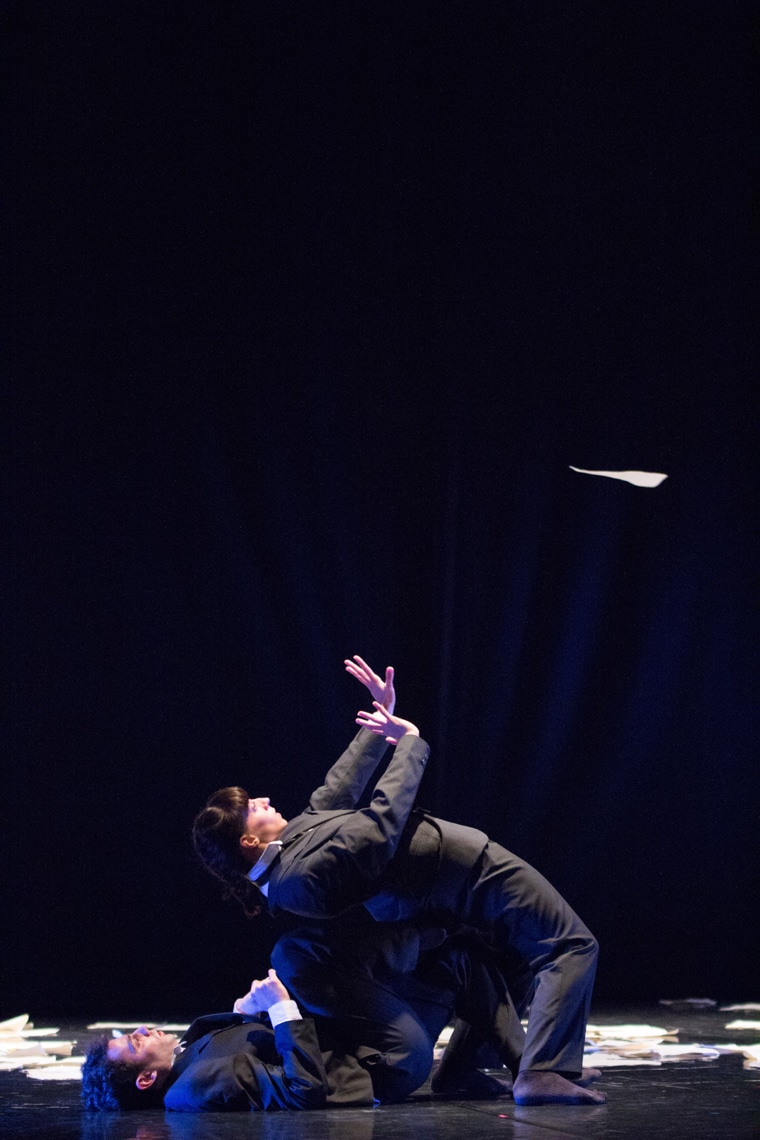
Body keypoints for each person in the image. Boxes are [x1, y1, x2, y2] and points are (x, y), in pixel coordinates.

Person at [192, 656, 605, 1106]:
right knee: (569, 943)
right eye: (252, 806)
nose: (264, 799)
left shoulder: (293, 843)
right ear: (249, 841)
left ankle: (483, 1069)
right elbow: (380, 827)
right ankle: (543, 1074)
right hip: (457, 872)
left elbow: (337, 788)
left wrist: (378, 720)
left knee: (495, 958)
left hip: (451, 871)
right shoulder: (294, 879)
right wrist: (409, 743)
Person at [81, 927, 522, 1112]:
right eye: (135, 1044)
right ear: (145, 1079)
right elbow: (303, 1089)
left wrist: (247, 1011)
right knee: (293, 955)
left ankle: (504, 1070)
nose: (142, 1031)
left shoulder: (193, 1051)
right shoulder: (193, 1086)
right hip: (385, 1063)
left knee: (460, 964)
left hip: (361, 1039)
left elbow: (256, 1046)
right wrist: (280, 1009)